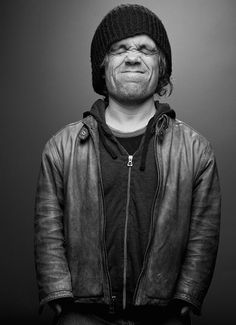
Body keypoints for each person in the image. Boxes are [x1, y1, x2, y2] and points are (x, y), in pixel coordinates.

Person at [34, 4, 221, 325]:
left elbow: (202, 234)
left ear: (162, 67)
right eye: (120, 48)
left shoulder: (196, 149)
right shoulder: (61, 146)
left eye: (146, 49)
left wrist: (186, 299)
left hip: (164, 318)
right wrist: (60, 299)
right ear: (101, 66)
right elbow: (48, 230)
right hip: (81, 317)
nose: (133, 57)